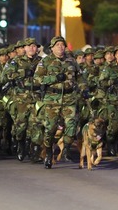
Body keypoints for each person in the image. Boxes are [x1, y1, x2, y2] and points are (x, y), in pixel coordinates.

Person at [34, 35, 83, 168]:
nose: (60, 47)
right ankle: (49, 152)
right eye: (57, 45)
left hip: (69, 98)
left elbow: (80, 77)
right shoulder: (45, 61)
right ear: (52, 48)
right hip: (52, 99)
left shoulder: (71, 61)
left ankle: (66, 148)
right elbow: (37, 79)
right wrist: (54, 78)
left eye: (62, 45)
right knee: (50, 129)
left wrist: (84, 89)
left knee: (72, 126)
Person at [2, 38, 42, 161]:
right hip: (21, 98)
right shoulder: (16, 61)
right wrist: (23, 73)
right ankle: (20, 143)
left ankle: (35, 151)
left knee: (36, 124)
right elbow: (6, 75)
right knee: (21, 125)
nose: (32, 48)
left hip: (37, 96)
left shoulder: (42, 61)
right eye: (29, 46)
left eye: (34, 46)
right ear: (24, 48)